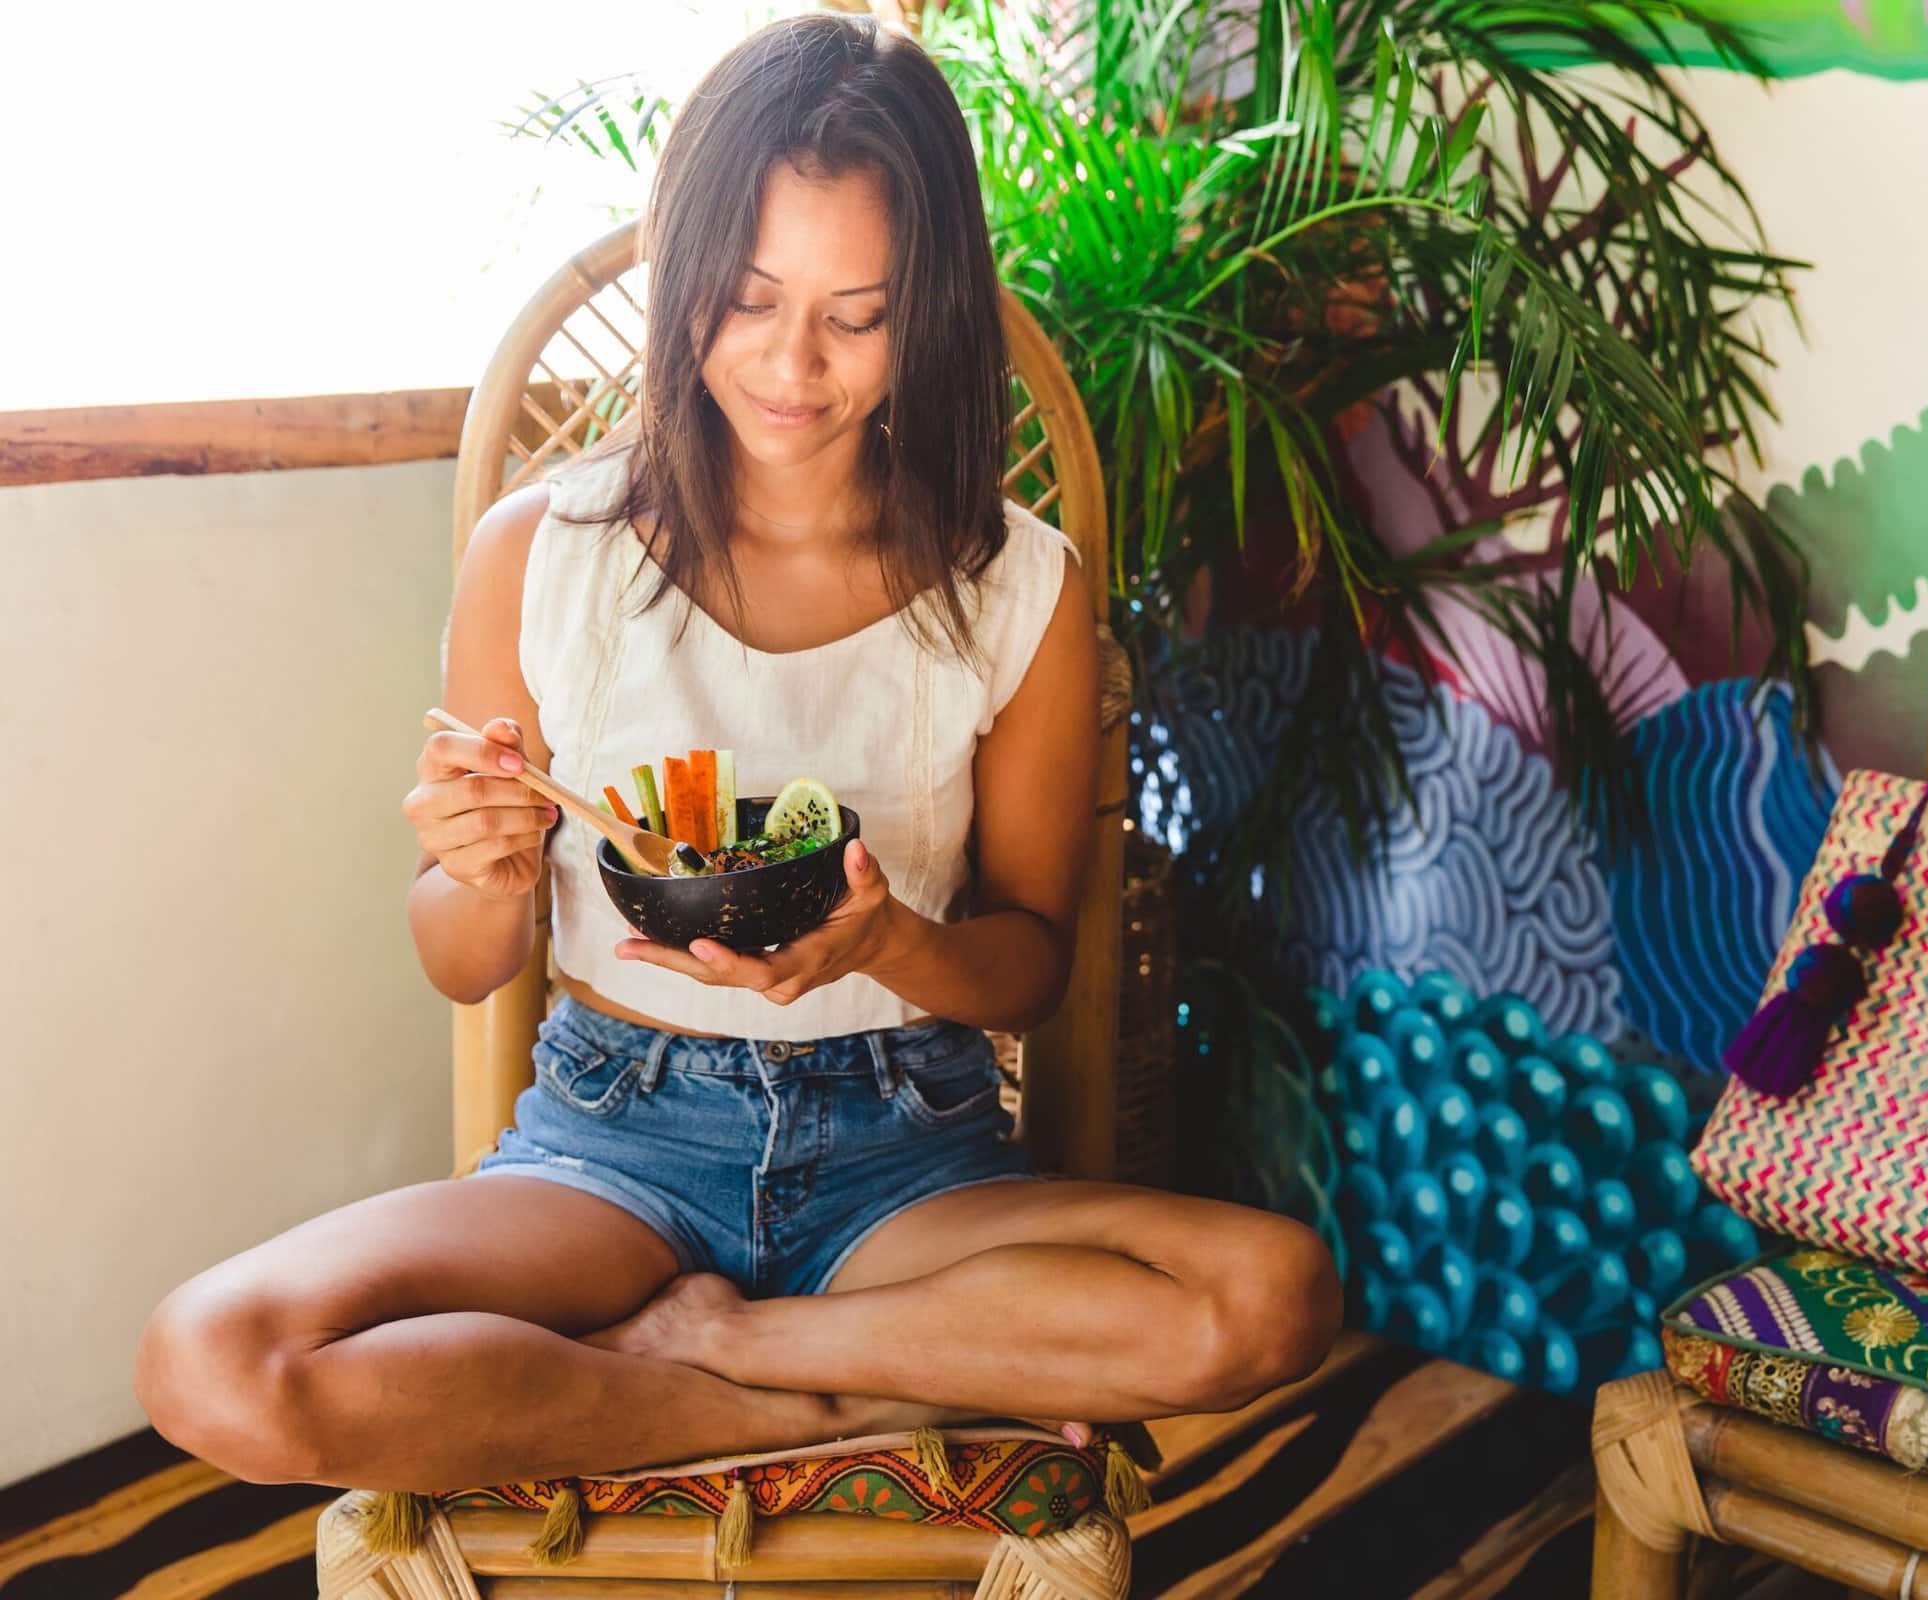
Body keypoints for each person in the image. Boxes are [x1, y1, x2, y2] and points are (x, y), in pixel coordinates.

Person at [134, 13, 1340, 1493]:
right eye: (753, 297)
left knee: (1270, 1297)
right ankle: (782, 1405)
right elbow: (463, 963)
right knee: (212, 1361)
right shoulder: (545, 556)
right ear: (687, 277)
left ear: (930, 316)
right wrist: (483, 869)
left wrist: (885, 939)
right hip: (612, 1141)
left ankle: (728, 1341)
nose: (794, 363)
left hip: (906, 1150)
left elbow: (1031, 961)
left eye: (859, 313)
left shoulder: (1017, 584)